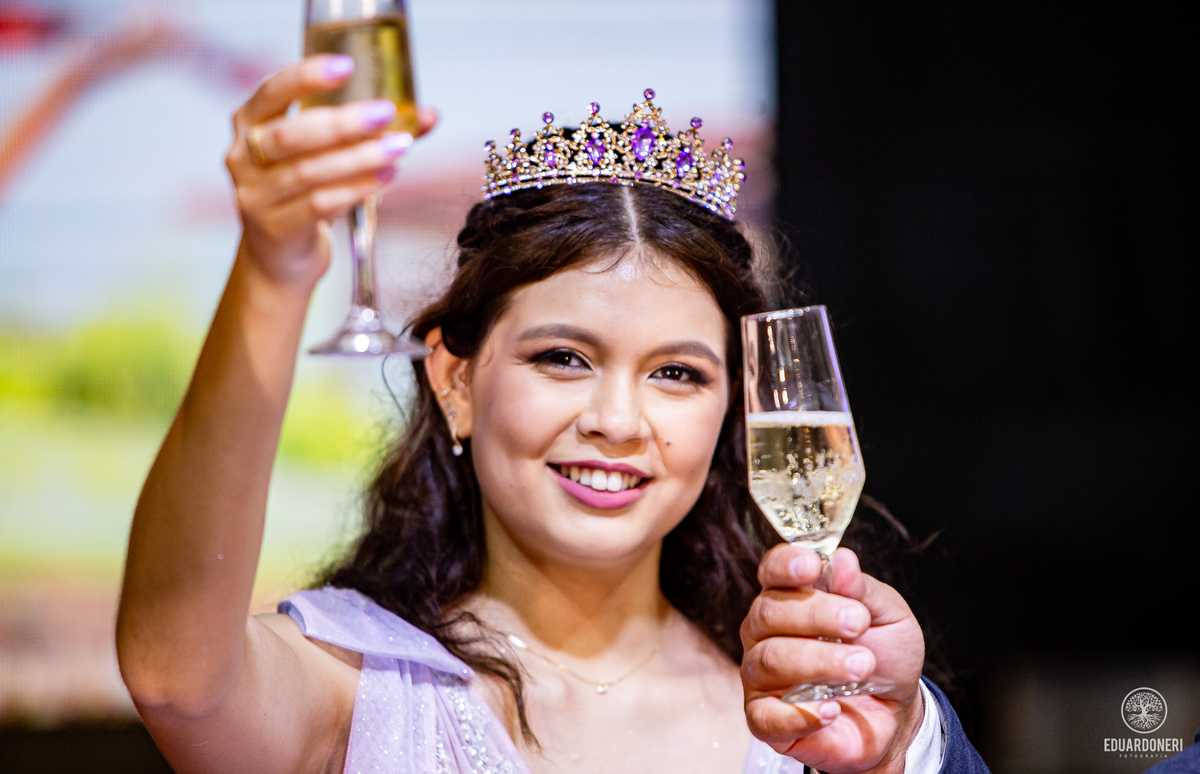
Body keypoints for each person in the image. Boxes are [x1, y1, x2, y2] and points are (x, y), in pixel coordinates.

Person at [115, 54, 989, 774]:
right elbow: (173, 678)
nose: (617, 419)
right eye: (563, 358)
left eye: (677, 374)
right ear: (454, 380)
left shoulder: (802, 711)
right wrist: (272, 275)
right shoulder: (361, 683)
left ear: (733, 410)